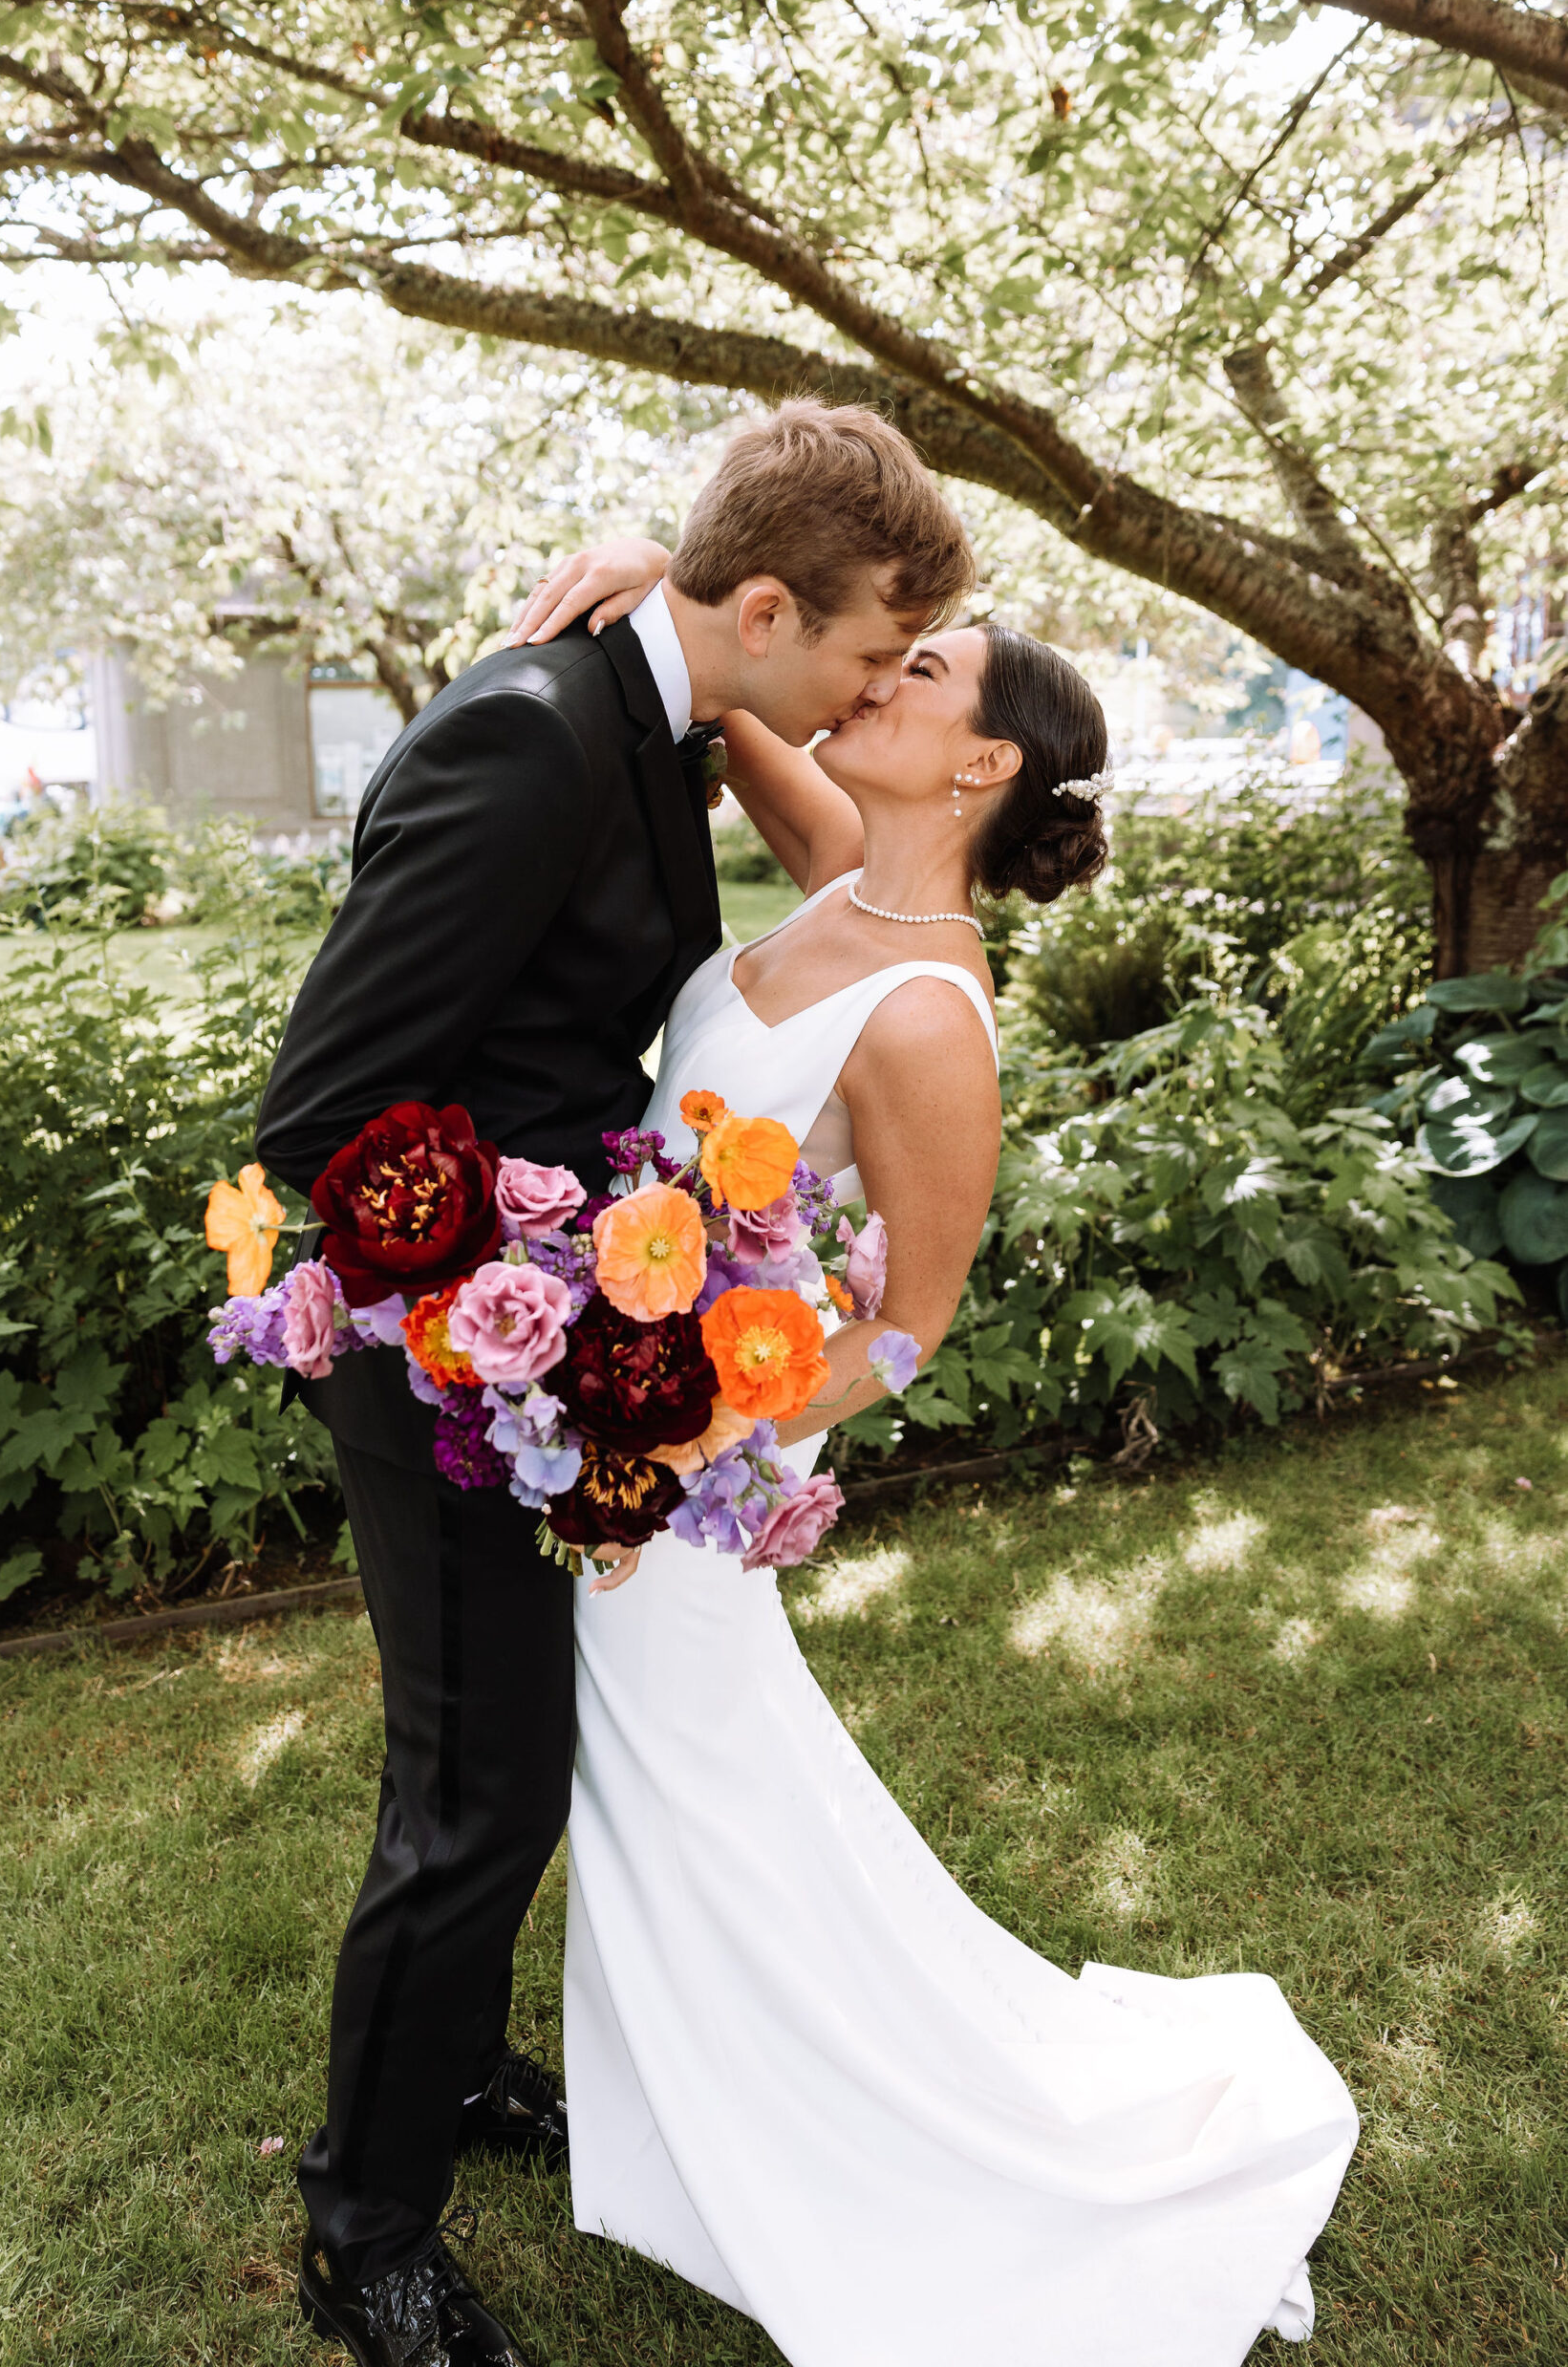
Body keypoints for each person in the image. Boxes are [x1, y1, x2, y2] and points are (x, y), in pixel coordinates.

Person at [503, 542, 1361, 2367]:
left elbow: (908, 1329)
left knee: (705, 1805)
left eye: (926, 670)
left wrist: (697, 1426)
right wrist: (672, 569)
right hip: (617, 1402)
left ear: (984, 764)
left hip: (687, 1472)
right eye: (890, 654)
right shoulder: (840, 863)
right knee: (685, 1797)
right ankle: (696, 2110)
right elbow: (731, 670)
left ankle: (839, 2146)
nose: (880, 673)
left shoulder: (925, 1017)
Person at [252, 400, 975, 2367]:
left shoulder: (660, 711)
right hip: (443, 1361)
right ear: (769, 607)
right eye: (866, 653)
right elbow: (326, 1110)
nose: (870, 692)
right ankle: (363, 2230)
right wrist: (546, 1309)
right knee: (472, 1792)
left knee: (512, 1759)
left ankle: (454, 2063)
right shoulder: (533, 733)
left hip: (551, 1363)